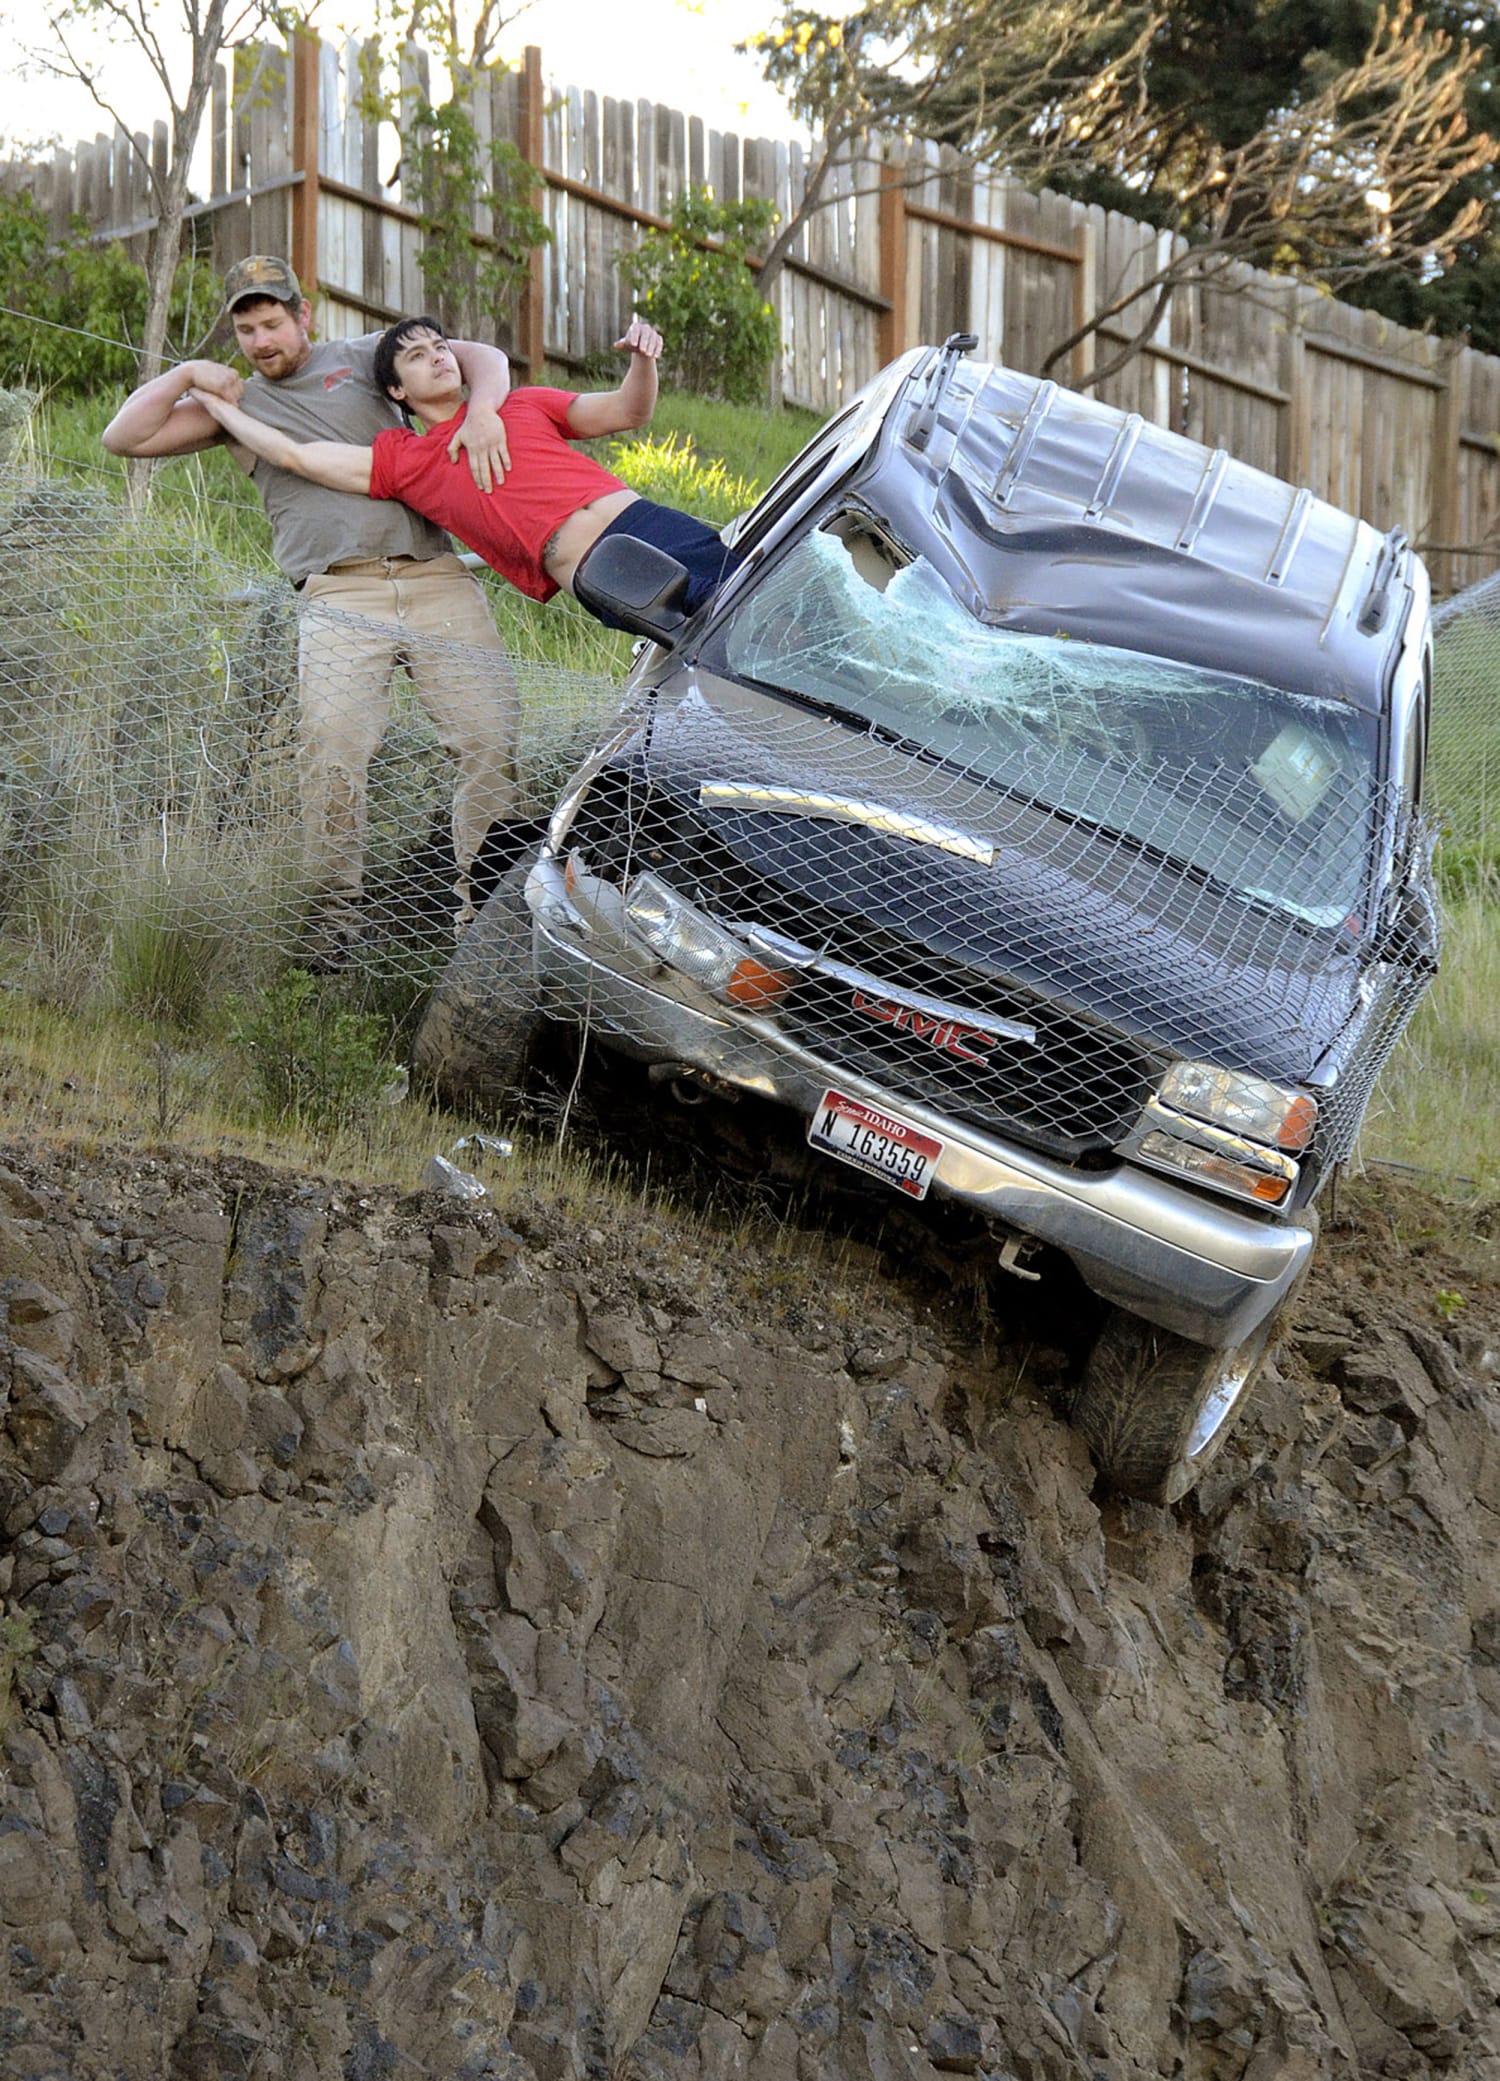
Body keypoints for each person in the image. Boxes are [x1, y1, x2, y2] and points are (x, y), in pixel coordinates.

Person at [101, 256, 522, 964]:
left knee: (490, 739)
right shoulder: (230, 405)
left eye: (273, 322)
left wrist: (482, 412)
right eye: (246, 329)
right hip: (335, 595)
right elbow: (123, 438)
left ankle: (484, 923)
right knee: (330, 749)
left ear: (305, 313)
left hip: (434, 575)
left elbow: (482, 356)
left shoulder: (359, 356)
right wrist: (185, 376)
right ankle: (330, 929)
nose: (262, 340)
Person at [183, 313, 742, 629]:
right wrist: (217, 408)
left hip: (648, 523)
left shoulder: (520, 404)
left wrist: (642, 359)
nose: (438, 357)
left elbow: (629, 410)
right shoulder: (408, 460)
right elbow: (295, 456)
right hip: (604, 572)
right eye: (418, 355)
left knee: (767, 606)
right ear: (397, 390)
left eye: (440, 346)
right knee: (715, 650)